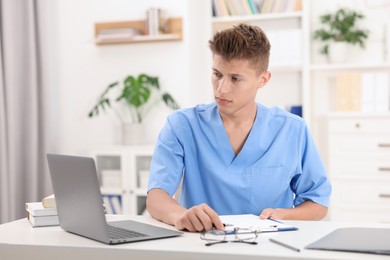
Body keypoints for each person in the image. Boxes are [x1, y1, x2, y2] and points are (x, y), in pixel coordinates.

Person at [146, 23, 331, 232]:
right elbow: (156, 195)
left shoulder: (292, 130)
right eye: (217, 74)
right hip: (201, 245)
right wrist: (179, 215)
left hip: (271, 247)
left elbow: (318, 202)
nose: (221, 88)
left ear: (263, 79)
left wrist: (284, 215)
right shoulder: (182, 126)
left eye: (235, 78)